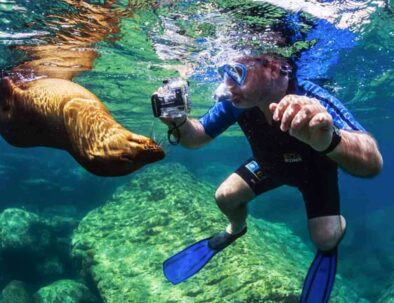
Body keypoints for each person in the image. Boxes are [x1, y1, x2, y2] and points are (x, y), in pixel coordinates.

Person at [160, 53, 383, 302]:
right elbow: (197, 137)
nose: (225, 85)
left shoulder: (311, 97)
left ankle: (338, 224)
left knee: (325, 239)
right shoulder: (238, 102)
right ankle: (236, 229)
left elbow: (373, 161)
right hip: (269, 166)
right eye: (223, 73)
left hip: (316, 174)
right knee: (224, 197)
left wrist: (330, 138)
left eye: (236, 73)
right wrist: (177, 122)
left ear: (274, 68)